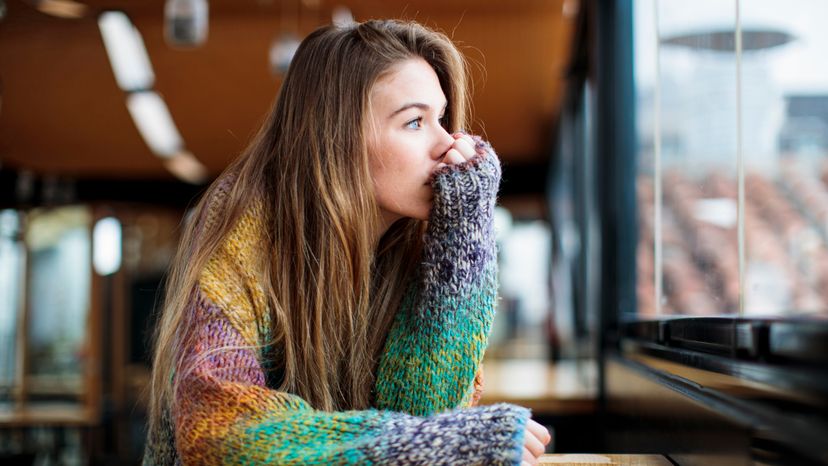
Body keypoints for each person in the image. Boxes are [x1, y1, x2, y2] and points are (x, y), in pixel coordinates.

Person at [143, 18, 551, 465]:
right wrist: (452, 443)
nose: (448, 143)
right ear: (338, 138)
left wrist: (464, 228)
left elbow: (422, 412)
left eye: (442, 118)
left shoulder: (413, 245)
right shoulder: (243, 228)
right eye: (415, 122)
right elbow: (220, 432)